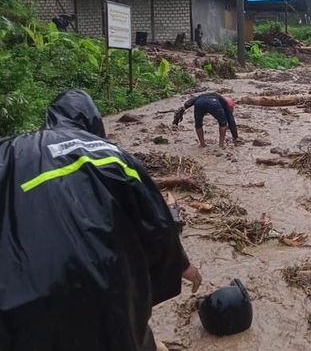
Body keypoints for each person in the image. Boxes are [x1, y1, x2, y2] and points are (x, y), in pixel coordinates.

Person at [0, 89, 201, 351]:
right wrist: (180, 264)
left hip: (22, 303)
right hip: (110, 295)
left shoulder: (9, 152)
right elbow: (156, 222)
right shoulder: (115, 156)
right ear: (94, 121)